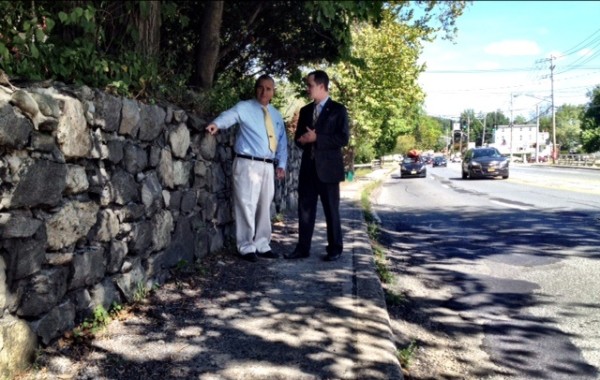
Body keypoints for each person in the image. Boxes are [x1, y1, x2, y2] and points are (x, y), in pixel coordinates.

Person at [206, 74, 287, 262]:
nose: (264, 91)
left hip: (267, 166)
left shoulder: (276, 115)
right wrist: (216, 124)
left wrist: (281, 164)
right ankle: (246, 246)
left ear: (273, 92)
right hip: (247, 163)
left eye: (268, 88)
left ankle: (262, 244)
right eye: (260, 87)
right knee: (246, 205)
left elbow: (282, 142)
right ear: (255, 88)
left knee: (264, 206)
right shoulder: (244, 107)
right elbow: (229, 116)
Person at [285, 70, 349, 262]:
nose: (307, 89)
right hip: (308, 168)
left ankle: (335, 248)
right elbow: (297, 140)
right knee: (305, 210)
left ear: (322, 86)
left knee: (331, 209)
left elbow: (342, 138)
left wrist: (317, 138)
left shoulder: (338, 110)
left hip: (328, 170)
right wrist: (303, 140)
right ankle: (302, 248)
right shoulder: (305, 111)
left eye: (310, 85)